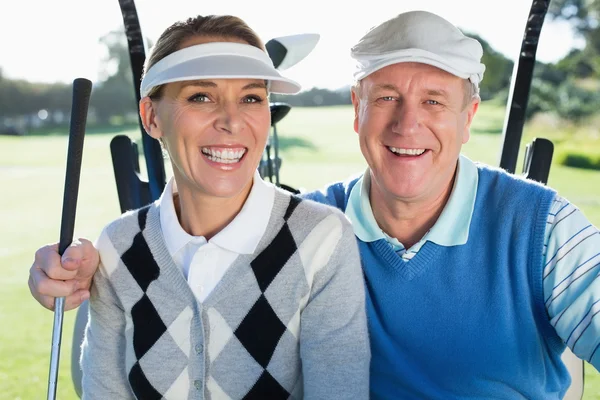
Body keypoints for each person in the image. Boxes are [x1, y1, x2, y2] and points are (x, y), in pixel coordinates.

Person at [29, 10, 600, 400]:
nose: (408, 123)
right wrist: (81, 269)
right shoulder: (315, 228)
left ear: (468, 117)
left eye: (434, 100)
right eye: (386, 98)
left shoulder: (542, 226)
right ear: (357, 108)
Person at [29, 14, 370, 399]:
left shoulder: (321, 240)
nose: (231, 120)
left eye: (251, 98)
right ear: (151, 116)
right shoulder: (117, 247)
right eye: (200, 97)